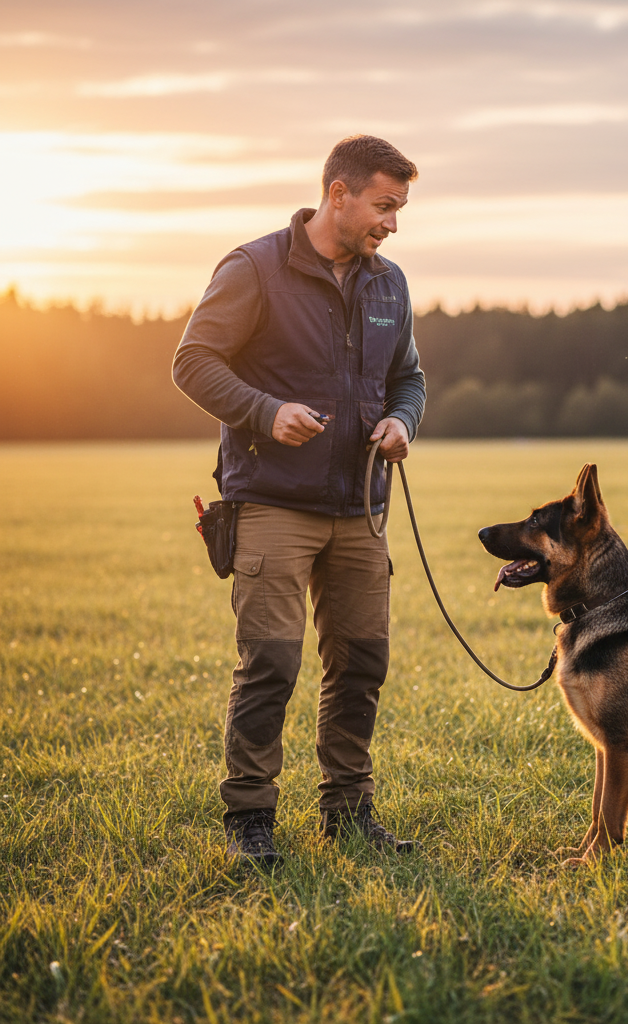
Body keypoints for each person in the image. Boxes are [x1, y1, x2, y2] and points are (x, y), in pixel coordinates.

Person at [172, 135, 425, 866]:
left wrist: (401, 421)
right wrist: (263, 411)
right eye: (384, 206)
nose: (393, 224)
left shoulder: (390, 284)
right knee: (271, 665)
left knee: (361, 664)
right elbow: (192, 361)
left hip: (360, 509)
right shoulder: (252, 268)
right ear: (337, 195)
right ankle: (250, 819)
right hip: (272, 504)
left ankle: (348, 813)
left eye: (401, 209)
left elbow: (408, 377)